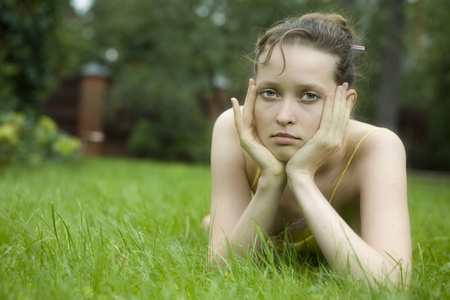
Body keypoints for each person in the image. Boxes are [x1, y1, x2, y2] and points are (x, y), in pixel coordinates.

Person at [207, 13, 411, 286]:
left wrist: (301, 176)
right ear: (252, 92)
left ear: (345, 104)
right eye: (270, 93)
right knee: (213, 224)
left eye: (309, 96)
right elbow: (220, 272)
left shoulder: (376, 148)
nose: (284, 116)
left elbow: (391, 284)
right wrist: (270, 181)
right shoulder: (234, 129)